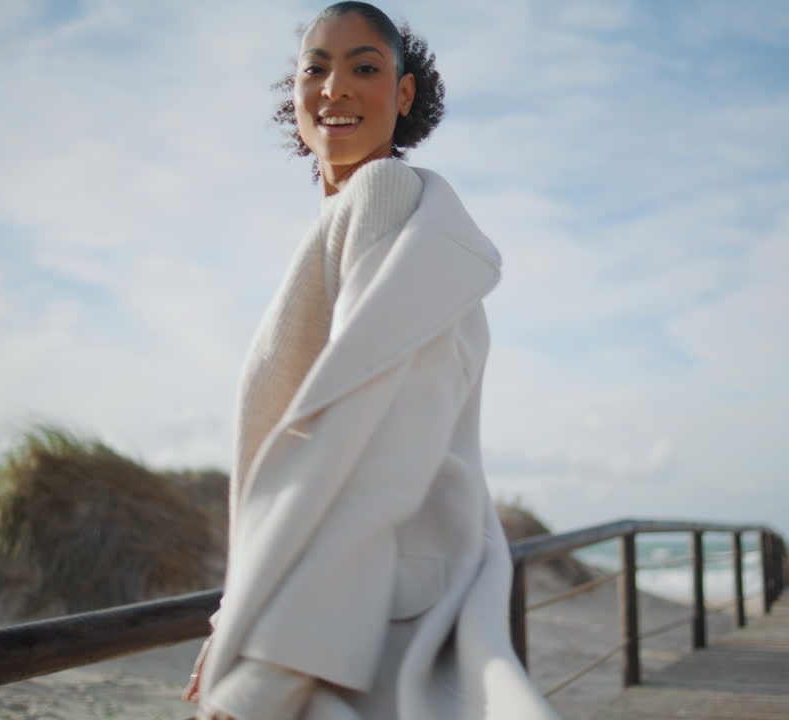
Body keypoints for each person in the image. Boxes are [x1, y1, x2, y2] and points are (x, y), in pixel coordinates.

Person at [182, 3, 558, 719]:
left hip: (359, 618)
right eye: (315, 69)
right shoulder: (364, 219)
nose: (335, 89)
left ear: (404, 94)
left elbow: (373, 443)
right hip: (378, 599)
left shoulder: (384, 197)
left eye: (364, 68)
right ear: (292, 92)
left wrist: (273, 659)